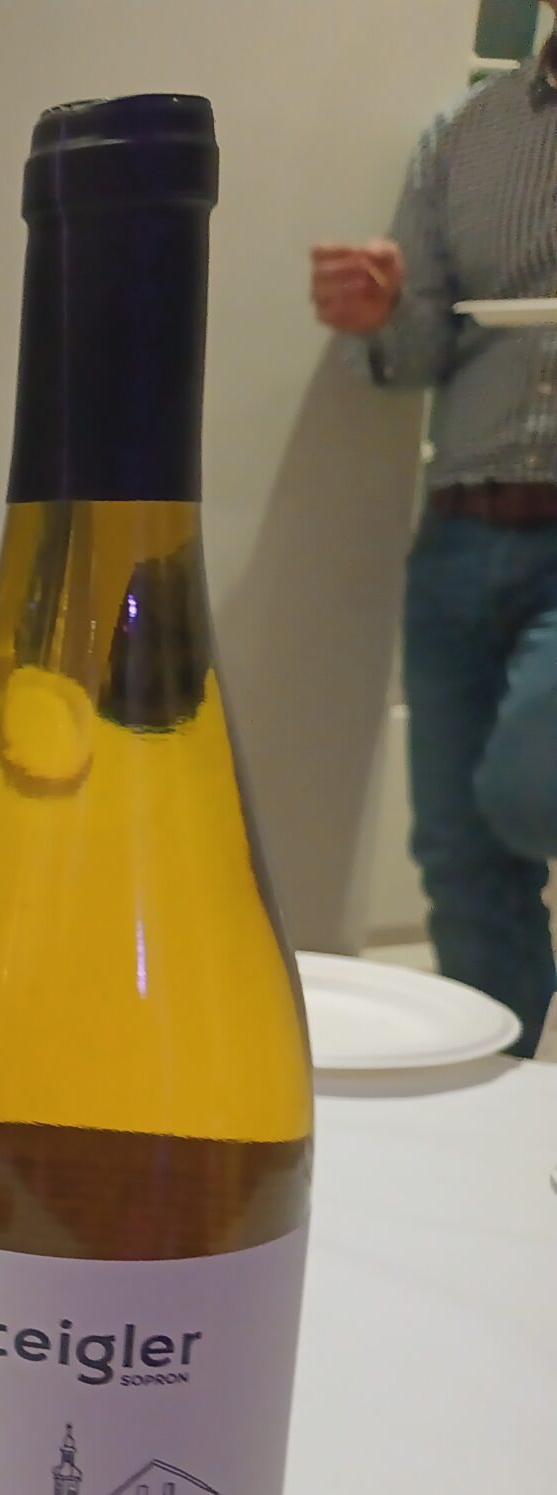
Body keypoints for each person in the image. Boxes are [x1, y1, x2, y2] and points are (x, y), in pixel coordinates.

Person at [313, 21, 557, 1057]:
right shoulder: (467, 133)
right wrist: (377, 315)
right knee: (460, 862)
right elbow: (420, 351)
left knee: (525, 791)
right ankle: (503, 1096)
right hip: (459, 533)